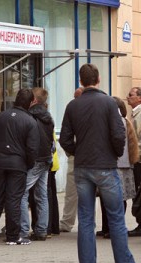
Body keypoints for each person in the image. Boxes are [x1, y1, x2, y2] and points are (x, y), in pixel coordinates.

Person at [60, 63, 141, 263]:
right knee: (117, 218)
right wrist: (114, 154)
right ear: (98, 79)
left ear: (81, 81)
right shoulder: (109, 103)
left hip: (83, 167)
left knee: (86, 219)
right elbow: (118, 134)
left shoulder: (73, 105)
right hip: (106, 166)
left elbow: (64, 139)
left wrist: (77, 152)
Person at [0, 88, 39, 245]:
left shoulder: (0, 117)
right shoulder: (30, 121)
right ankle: (13, 237)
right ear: (30, 102)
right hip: (18, 165)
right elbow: (32, 149)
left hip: (0, 163)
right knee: (13, 199)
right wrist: (27, 164)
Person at [98, 96, 139, 238]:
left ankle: (113, 228)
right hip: (123, 164)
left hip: (118, 164)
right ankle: (108, 227)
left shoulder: (118, 122)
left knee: (115, 198)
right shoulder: (124, 122)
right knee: (116, 198)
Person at [19, 87, 54, 241]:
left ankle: (23, 230)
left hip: (35, 159)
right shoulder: (48, 116)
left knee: (21, 193)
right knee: (42, 195)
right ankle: (41, 230)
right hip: (46, 158)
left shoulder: (29, 116)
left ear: (33, 100)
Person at [59, 87, 84, 233]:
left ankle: (67, 222)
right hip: (92, 156)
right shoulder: (96, 108)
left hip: (77, 156)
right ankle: (86, 223)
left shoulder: (72, 109)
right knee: (85, 192)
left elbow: (65, 137)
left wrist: (72, 151)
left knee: (72, 192)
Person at [127, 86, 141, 237]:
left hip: (139, 158)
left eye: (131, 95)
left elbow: (140, 138)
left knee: (139, 191)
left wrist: (136, 156)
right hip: (137, 157)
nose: (127, 97)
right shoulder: (137, 113)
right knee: (138, 191)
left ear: (139, 98)